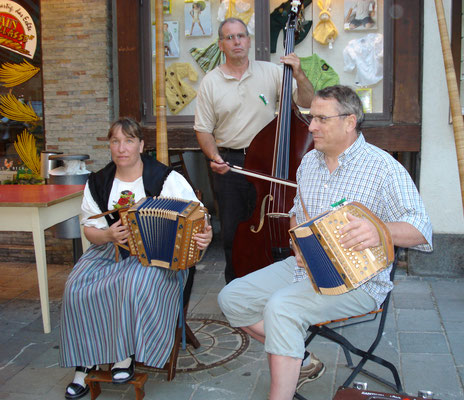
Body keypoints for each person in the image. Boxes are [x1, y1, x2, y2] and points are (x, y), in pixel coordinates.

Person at [218, 85, 433, 400]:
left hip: (359, 280)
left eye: (321, 118)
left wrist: (380, 230)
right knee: (232, 297)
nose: (311, 126)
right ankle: (299, 359)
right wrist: (298, 244)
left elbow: (423, 229)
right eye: (310, 117)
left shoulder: (382, 167)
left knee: (281, 309)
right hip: (306, 267)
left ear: (349, 122)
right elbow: (295, 214)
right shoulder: (309, 163)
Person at [60, 117, 212, 400]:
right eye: (116, 141)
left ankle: (123, 354)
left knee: (131, 283)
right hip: (110, 250)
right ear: (109, 145)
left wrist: (206, 235)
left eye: (129, 141)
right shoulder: (98, 181)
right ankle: (85, 364)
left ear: (141, 145)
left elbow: (199, 215)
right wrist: (107, 236)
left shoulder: (165, 178)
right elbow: (90, 229)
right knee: (75, 287)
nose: (122, 148)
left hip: (160, 256)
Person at [194, 17, 314, 283]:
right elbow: (203, 129)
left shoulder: (271, 71)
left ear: (248, 41)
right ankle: (235, 289)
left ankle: (278, 283)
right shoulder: (210, 82)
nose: (237, 41)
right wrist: (214, 156)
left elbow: (306, 102)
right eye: (230, 37)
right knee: (233, 231)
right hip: (230, 162)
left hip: (268, 162)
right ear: (221, 45)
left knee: (275, 226)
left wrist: (299, 73)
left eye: (241, 36)